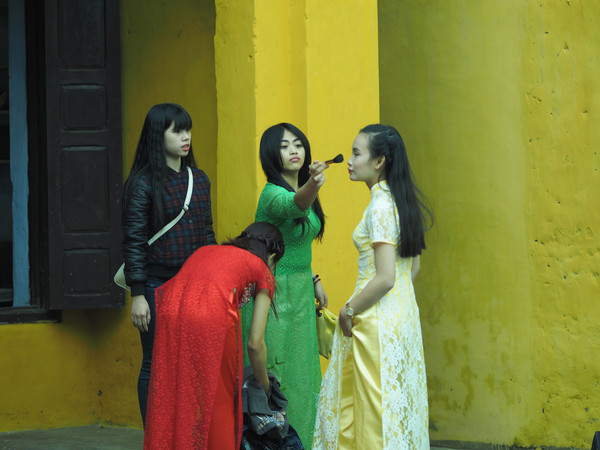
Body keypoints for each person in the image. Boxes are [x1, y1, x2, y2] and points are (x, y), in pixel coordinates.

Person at [313, 124, 433, 449]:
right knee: (397, 413)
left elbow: (385, 276)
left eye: (357, 153)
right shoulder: (402, 202)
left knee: (372, 418)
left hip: (375, 323)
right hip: (403, 317)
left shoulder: (380, 206)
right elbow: (411, 269)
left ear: (379, 161)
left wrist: (348, 310)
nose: (350, 161)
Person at [143, 222, 285, 450]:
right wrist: (264, 385)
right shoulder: (261, 268)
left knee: (178, 392)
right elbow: (255, 344)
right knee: (222, 397)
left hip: (170, 309)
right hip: (211, 313)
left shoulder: (208, 250)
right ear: (272, 255)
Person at [120, 103, 216, 426]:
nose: (185, 137)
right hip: (155, 285)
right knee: (154, 363)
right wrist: (137, 294)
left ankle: (185, 433)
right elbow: (134, 241)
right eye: (177, 131)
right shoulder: (143, 183)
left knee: (192, 361)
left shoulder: (199, 179)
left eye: (187, 130)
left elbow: (207, 234)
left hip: (194, 285)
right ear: (157, 136)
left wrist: (213, 282)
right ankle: (155, 436)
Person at [241, 123, 328, 446]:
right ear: (270, 154)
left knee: (304, 378)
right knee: (277, 377)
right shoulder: (272, 194)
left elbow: (296, 245)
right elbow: (295, 205)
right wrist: (314, 183)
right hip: (272, 295)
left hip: (302, 294)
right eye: (284, 146)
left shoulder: (304, 191)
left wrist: (314, 279)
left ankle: (303, 442)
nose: (294, 150)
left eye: (298, 144)